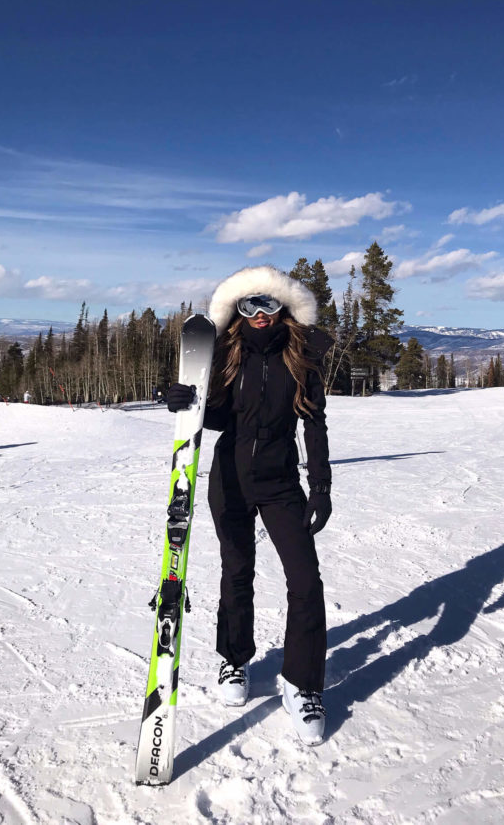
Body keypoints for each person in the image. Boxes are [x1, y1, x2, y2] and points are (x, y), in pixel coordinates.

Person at [167, 266, 333, 745]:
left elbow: (315, 423)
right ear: (236, 311)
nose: (260, 315)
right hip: (231, 476)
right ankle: (234, 661)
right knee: (236, 570)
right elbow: (217, 414)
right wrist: (182, 401)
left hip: (280, 479)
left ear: (285, 307)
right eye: (248, 305)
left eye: (269, 304)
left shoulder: (302, 355)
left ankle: (301, 684)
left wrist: (319, 485)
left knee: (305, 580)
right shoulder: (225, 353)